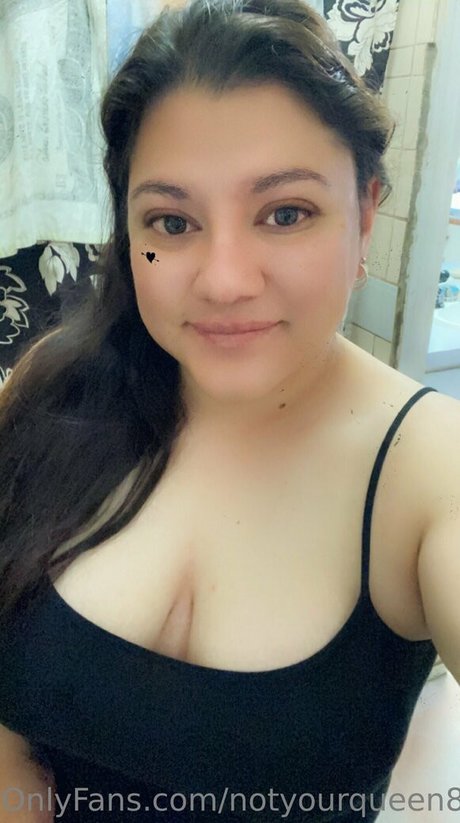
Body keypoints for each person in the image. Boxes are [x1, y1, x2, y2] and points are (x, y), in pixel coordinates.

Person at [0, 0, 459, 820]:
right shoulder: (53, 389)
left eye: (285, 213)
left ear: (365, 215)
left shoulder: (429, 467)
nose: (224, 280)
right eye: (172, 222)